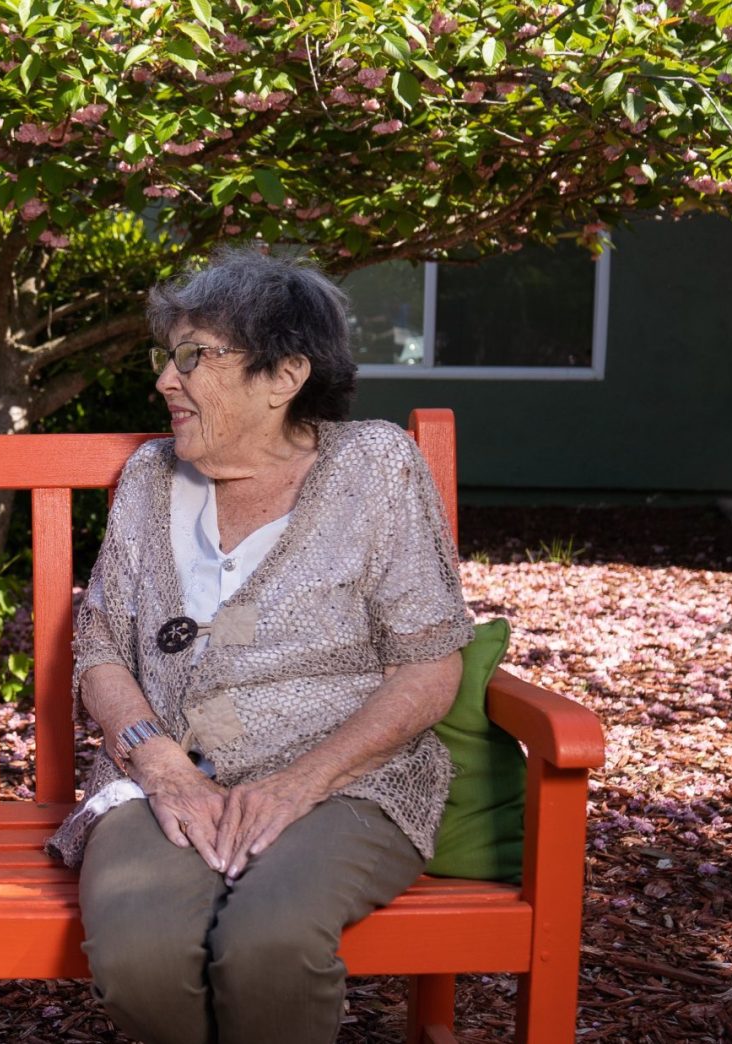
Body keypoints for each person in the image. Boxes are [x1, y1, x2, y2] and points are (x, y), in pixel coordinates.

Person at [50, 248, 473, 1043]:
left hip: (348, 779)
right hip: (165, 776)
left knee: (269, 943)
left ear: (283, 377)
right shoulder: (150, 477)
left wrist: (302, 782)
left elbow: (429, 662)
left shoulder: (373, 467)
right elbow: (102, 642)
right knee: (140, 954)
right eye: (164, 357)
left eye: (193, 358)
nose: (165, 382)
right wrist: (161, 764)